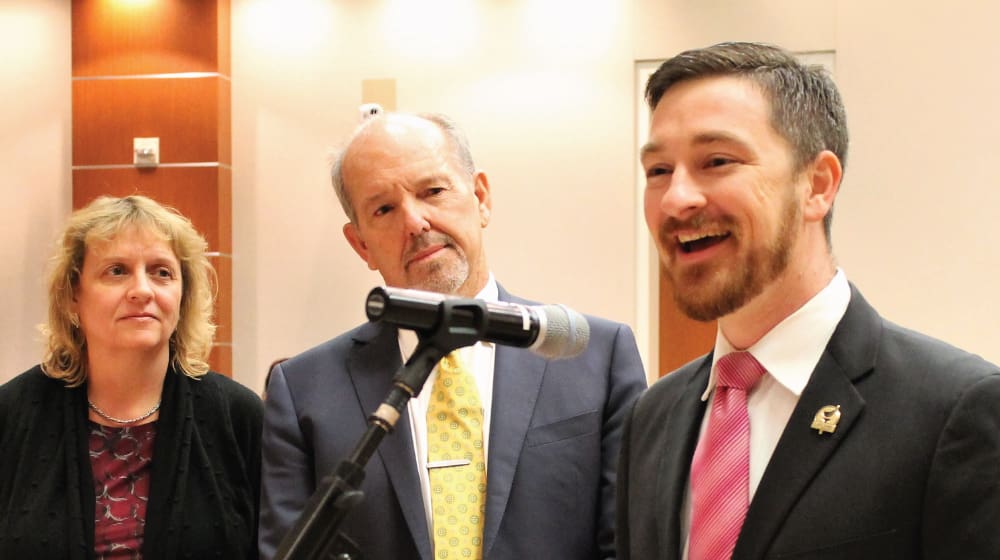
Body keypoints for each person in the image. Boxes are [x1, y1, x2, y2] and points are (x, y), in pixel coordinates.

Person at [616, 41, 1000, 559]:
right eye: (658, 171)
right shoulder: (652, 419)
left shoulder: (953, 410)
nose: (677, 198)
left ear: (817, 185)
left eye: (717, 161)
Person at [259, 112, 648, 560]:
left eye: (433, 192)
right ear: (361, 244)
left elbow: (630, 545)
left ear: (480, 198)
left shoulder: (595, 357)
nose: (415, 222)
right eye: (384, 209)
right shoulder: (303, 392)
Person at [0, 195, 263, 559]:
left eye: (161, 272)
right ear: (73, 293)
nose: (142, 290)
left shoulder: (238, 416)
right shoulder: (11, 414)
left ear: (183, 294)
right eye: (117, 271)